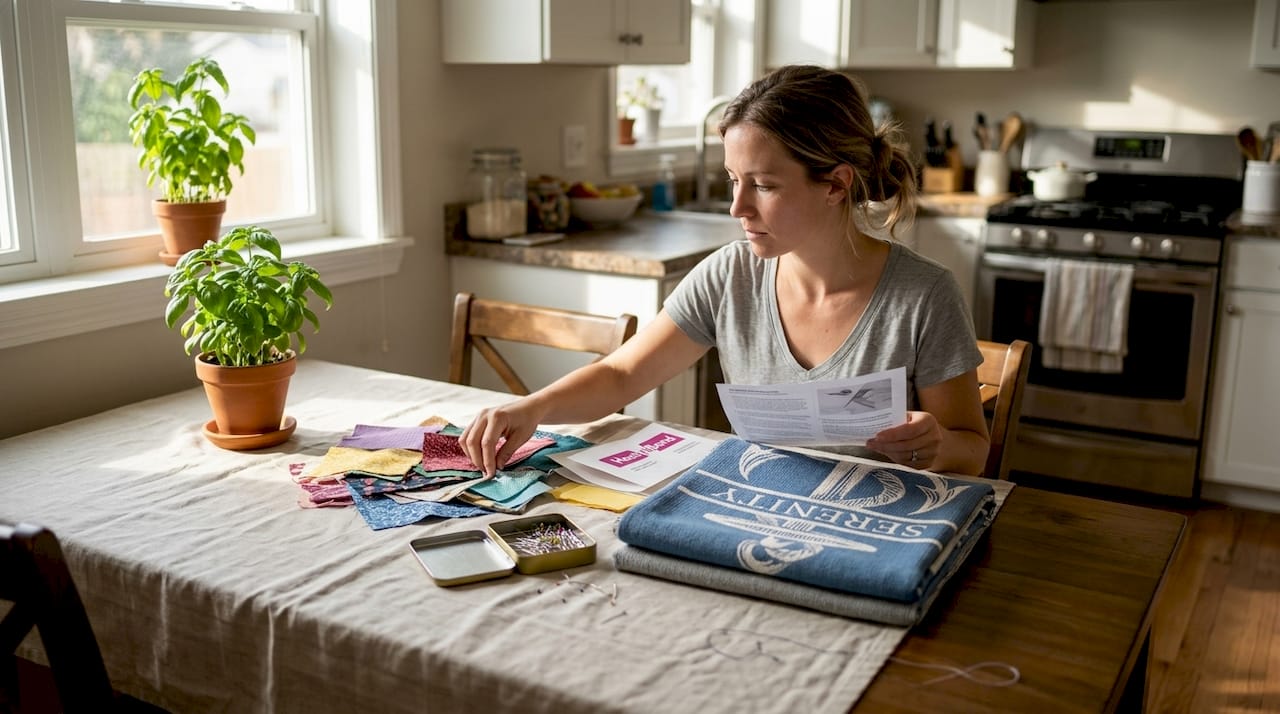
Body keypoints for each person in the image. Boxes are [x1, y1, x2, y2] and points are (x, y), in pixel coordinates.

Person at [461, 64, 990, 478]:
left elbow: (973, 449)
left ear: (835, 184)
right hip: (755, 510)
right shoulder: (729, 276)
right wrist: (531, 409)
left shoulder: (924, 296)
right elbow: (622, 375)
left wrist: (937, 445)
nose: (738, 207)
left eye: (763, 185)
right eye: (733, 179)